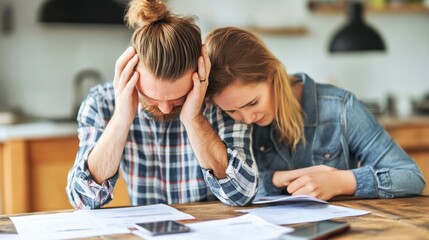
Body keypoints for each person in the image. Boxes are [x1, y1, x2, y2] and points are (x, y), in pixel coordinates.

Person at [66, 1, 258, 209]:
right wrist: (121, 119)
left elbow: (242, 194)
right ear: (130, 74)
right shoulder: (102, 102)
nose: (166, 108)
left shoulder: (220, 101)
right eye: (152, 97)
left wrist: (193, 119)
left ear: (200, 72)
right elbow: (82, 200)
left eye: (178, 97)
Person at [204, 27, 426, 200]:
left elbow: (411, 178)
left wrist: (341, 181)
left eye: (253, 102)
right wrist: (276, 179)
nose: (248, 118)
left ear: (272, 74)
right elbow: (219, 190)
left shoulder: (340, 107)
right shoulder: (227, 123)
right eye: (232, 110)